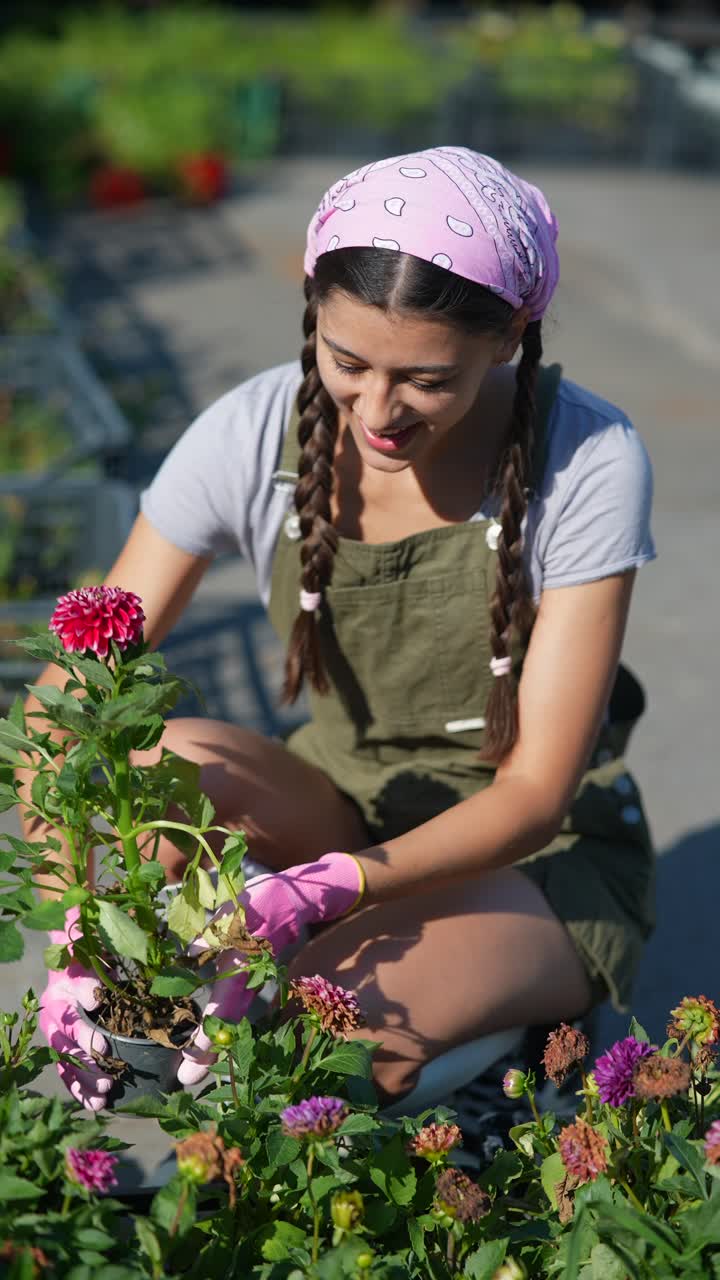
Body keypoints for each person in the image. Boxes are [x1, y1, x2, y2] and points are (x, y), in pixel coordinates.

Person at [32, 147, 656, 1112]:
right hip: (340, 798)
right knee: (156, 757)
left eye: (426, 380)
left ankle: (504, 1051)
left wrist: (330, 891)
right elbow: (81, 682)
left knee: (334, 1038)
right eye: (348, 362)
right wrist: (81, 912)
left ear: (510, 336)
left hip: (538, 846)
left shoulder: (589, 457)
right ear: (314, 312)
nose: (377, 411)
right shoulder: (252, 432)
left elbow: (534, 791)